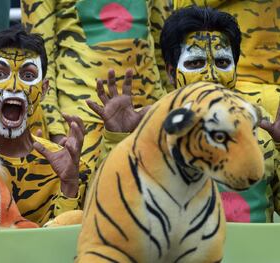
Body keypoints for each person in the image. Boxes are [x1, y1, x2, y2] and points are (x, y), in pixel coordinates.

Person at [89, 6, 280, 223]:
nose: (211, 75)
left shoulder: (263, 126)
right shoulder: (147, 128)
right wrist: (118, 139)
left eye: (222, 63)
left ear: (236, 68)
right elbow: (106, 212)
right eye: (196, 63)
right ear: (171, 73)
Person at [21, 0, 168, 173]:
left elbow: (163, 48)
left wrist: (172, 105)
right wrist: (56, 131)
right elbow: (40, 57)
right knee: (90, 193)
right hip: (85, 116)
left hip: (150, 111)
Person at [0, 26, 90, 226]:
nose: (14, 87)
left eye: (27, 76)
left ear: (43, 90)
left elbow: (62, 245)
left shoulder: (66, 164)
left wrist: (69, 184)